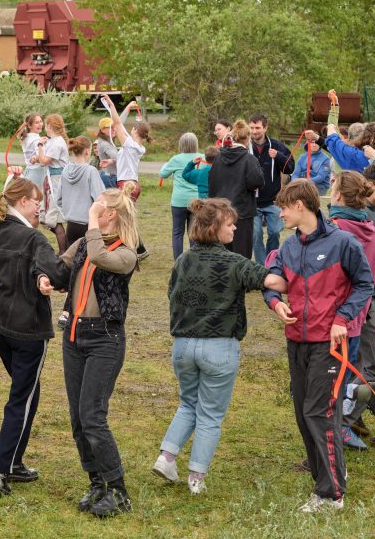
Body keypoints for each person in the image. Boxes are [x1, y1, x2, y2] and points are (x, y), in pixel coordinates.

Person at [152, 198, 287, 495]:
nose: (235, 228)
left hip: (183, 346)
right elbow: (274, 282)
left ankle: (167, 456)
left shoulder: (182, 260)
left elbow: (171, 295)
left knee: (188, 403)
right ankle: (196, 477)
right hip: (219, 348)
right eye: (230, 224)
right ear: (214, 228)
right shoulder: (235, 263)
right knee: (210, 414)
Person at [263, 179, 373, 512]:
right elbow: (271, 281)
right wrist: (275, 303)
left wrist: (342, 318)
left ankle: (330, 495)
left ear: (300, 205)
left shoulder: (343, 243)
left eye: (284, 208)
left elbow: (365, 284)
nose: (280, 215)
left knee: (319, 411)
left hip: (331, 343)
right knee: (303, 413)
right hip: (296, 341)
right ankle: (327, 474)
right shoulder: (288, 247)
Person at [37, 184, 139, 518]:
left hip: (105, 339)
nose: (92, 209)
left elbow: (98, 257)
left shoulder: (126, 252)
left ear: (111, 214)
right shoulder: (83, 243)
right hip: (74, 335)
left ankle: (118, 491)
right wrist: (45, 278)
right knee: (78, 419)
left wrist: (92, 221)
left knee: (93, 417)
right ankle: (97, 483)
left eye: (98, 207)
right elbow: (63, 268)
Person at [0, 178, 70, 497]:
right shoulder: (34, 238)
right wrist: (64, 248)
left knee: (28, 391)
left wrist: (40, 277)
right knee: (22, 397)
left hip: (0, 323)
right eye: (37, 202)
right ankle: (0, 471)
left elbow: (27, 268)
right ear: (22, 202)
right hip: (27, 329)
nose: (40, 208)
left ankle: (15, 462)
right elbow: (59, 272)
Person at [325, 171, 375, 451]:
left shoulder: (336, 230)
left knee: (345, 373)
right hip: (361, 312)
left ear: (339, 195)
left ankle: (340, 425)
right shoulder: (369, 227)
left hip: (339, 316)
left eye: (333, 185)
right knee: (353, 368)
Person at [208, 120, 265, 259]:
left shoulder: (218, 158)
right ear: (247, 139)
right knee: (242, 254)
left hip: (221, 211)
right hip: (242, 213)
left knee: (222, 253)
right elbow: (257, 182)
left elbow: (211, 182)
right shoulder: (249, 159)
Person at [248, 114, 295, 264]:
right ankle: (262, 266)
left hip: (273, 201)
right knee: (255, 234)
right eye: (251, 128)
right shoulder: (245, 147)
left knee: (275, 232)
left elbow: (290, 168)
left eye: (257, 128)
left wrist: (279, 156)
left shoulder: (277, 146)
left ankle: (271, 261)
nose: (254, 131)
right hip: (251, 202)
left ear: (265, 128)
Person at [159, 133, 204, 260]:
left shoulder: (176, 159)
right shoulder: (202, 157)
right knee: (194, 233)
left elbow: (163, 174)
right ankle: (194, 261)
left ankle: (178, 262)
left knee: (177, 232)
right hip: (196, 201)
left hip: (179, 202)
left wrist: (165, 165)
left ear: (181, 144)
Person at [59, 136, 106, 250]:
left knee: (72, 258)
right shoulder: (91, 171)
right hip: (88, 224)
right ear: (87, 151)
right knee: (88, 258)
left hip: (71, 225)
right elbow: (100, 198)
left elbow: (58, 199)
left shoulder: (65, 170)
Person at [103, 97, 150, 202]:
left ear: (136, 131)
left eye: (132, 128)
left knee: (122, 211)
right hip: (135, 185)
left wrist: (111, 105)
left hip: (126, 184)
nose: (130, 130)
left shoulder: (129, 144)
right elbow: (127, 160)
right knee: (129, 210)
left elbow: (117, 124)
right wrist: (112, 161)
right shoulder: (139, 147)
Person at [34, 113, 70, 251]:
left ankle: (64, 252)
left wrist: (39, 145)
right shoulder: (53, 141)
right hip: (50, 179)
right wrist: (36, 157)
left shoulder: (58, 142)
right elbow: (43, 159)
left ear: (49, 126)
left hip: (57, 181)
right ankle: (65, 248)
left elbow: (44, 161)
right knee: (44, 217)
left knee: (53, 219)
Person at [19, 112, 46, 187]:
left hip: (28, 171)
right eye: (36, 123)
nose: (40, 124)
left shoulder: (26, 137)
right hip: (37, 172)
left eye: (41, 121)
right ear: (29, 125)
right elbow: (40, 157)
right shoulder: (36, 140)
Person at [94, 118, 119, 189]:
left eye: (114, 127)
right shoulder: (104, 144)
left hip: (110, 177)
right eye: (111, 127)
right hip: (110, 179)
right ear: (102, 130)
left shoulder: (107, 141)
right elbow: (118, 158)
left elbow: (119, 122)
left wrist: (126, 111)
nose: (114, 129)